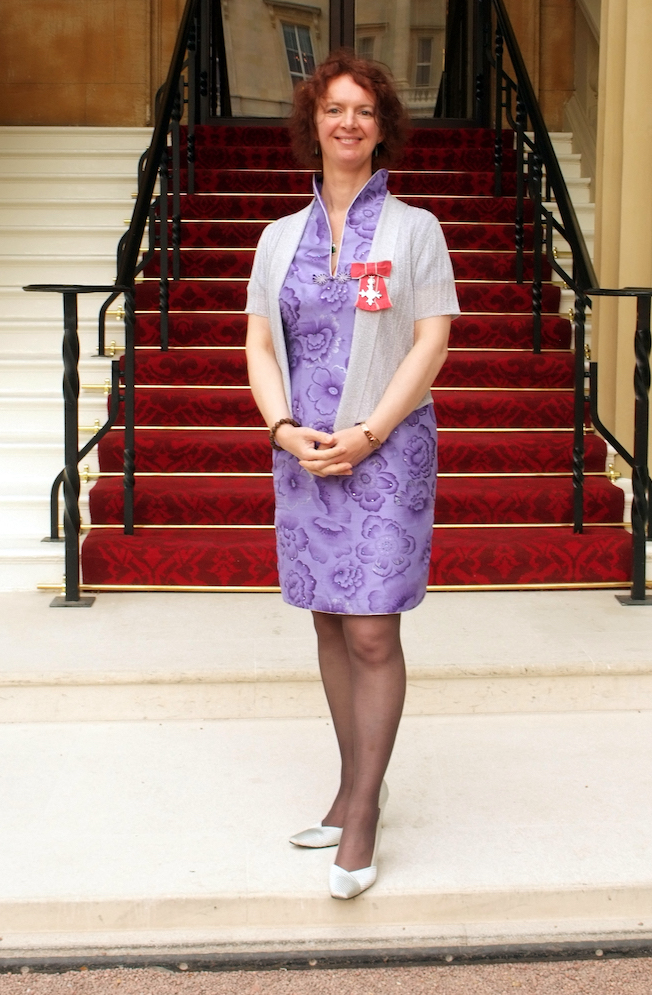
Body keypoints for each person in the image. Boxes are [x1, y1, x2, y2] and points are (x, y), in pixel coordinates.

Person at [245, 49, 459, 900]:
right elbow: (262, 344)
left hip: (387, 450)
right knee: (330, 624)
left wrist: (369, 431)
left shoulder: (416, 230)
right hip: (303, 454)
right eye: (334, 109)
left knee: (373, 630)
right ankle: (346, 789)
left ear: (382, 127)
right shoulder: (277, 238)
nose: (348, 122)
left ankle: (363, 813)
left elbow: (431, 340)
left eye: (363, 110)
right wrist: (283, 428)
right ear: (314, 122)